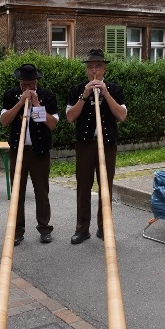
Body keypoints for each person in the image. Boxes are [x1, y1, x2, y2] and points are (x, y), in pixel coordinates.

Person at [65, 48, 128, 244]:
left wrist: (106, 94)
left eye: (98, 67)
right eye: (91, 67)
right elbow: (70, 117)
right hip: (85, 145)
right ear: (86, 71)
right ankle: (82, 229)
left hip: (107, 145)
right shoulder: (77, 90)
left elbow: (121, 116)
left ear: (104, 70)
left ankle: (104, 227)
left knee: (105, 187)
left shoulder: (115, 90)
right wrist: (84, 96)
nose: (94, 71)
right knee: (83, 186)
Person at [0, 62, 59, 245]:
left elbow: (51, 124)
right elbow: (4, 120)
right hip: (18, 151)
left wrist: (35, 103)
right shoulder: (10, 96)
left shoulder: (47, 96)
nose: (27, 88)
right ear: (19, 83)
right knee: (18, 191)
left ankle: (44, 228)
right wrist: (20, 102)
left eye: (30, 85)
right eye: (23, 85)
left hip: (39, 151)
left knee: (41, 191)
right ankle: (17, 230)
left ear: (36, 82)